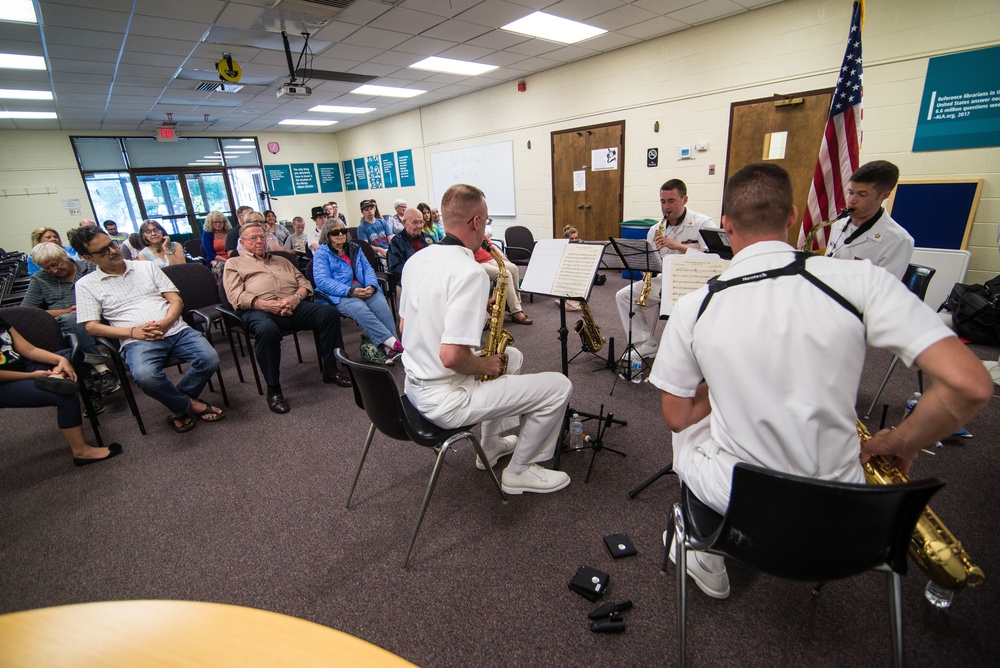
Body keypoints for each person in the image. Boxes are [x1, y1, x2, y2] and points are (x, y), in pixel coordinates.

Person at [649, 163, 992, 600]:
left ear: (727, 225)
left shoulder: (695, 306)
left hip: (740, 495)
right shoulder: (860, 280)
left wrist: (724, 383)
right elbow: (970, 384)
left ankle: (705, 557)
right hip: (846, 501)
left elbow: (676, 418)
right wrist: (901, 442)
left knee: (688, 425)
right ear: (792, 217)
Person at [400, 183, 572, 495]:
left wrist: (477, 308)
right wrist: (484, 364)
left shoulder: (417, 261)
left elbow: (406, 324)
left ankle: (491, 445)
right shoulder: (470, 272)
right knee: (559, 387)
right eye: (487, 220)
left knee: (513, 357)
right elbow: (452, 358)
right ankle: (520, 471)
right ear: (476, 222)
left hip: (413, 389)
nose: (486, 229)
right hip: (448, 399)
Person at [72, 226, 225, 434]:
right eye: (103, 251)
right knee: (146, 377)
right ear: (87, 258)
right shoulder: (85, 285)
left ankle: (178, 404)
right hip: (136, 340)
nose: (113, 251)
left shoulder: (145, 268)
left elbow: (175, 300)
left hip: (176, 329)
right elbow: (91, 327)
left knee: (210, 359)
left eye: (112, 244)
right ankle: (190, 405)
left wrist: (166, 322)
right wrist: (134, 332)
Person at [223, 222, 352, 415]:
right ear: (242, 242)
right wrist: (267, 305)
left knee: (328, 314)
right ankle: (273, 389)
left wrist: (295, 298)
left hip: (293, 305)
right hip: (259, 310)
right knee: (267, 331)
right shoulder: (234, 264)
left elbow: (304, 283)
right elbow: (235, 297)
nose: (259, 241)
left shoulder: (281, 260)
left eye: (262, 237)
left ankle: (331, 369)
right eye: (253, 238)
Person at [0, 314, 123, 466]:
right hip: (5, 383)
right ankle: (81, 452)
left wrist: (60, 360)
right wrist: (30, 376)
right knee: (64, 397)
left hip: (25, 367)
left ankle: (58, 375)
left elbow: (29, 349)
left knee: (73, 355)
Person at [615, 179, 712, 357]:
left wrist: (678, 246)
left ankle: (688, 352)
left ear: (684, 200)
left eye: (671, 201)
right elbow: (651, 262)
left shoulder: (703, 223)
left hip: (692, 283)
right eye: (662, 201)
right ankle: (646, 342)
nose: (666, 206)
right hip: (664, 279)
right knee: (623, 296)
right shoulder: (655, 230)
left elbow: (712, 257)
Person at [23, 242, 120, 405]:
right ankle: (102, 370)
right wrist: (64, 311)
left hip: (97, 318)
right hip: (65, 325)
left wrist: (87, 308)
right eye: (47, 268)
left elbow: (114, 294)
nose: (53, 271)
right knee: (69, 327)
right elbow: (27, 313)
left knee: (72, 345)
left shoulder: (90, 268)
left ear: (65, 256)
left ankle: (87, 388)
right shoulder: (40, 279)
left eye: (55, 264)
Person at [313, 220, 403, 364]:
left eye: (343, 231)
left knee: (381, 305)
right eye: (335, 232)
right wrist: (350, 291)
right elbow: (322, 281)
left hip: (362, 286)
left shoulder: (354, 248)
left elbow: (368, 269)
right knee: (361, 309)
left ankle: (389, 350)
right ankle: (394, 344)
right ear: (327, 235)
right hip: (339, 293)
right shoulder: (322, 253)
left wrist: (372, 286)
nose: (340, 234)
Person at [824, 160, 914, 280]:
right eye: (850, 192)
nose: (852, 200)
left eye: (862, 194)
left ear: (884, 196)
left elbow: (883, 290)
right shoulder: (839, 223)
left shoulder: (898, 240)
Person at [474, 235, 532, 325]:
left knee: (513, 268)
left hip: (491, 259)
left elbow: (491, 246)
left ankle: (515, 304)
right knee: (505, 274)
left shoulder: (478, 230)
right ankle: (516, 311)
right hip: (479, 263)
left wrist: (503, 258)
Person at [387, 207, 434, 278]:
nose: (419, 226)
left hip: (431, 275)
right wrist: (419, 268)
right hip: (411, 279)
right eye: (415, 222)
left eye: (421, 222)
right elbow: (395, 268)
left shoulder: (428, 238)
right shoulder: (396, 242)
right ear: (404, 223)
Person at [561, 226, 583, 311]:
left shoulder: (581, 244)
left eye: (576, 238)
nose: (575, 240)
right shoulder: (564, 246)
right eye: (572, 239)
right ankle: (568, 302)